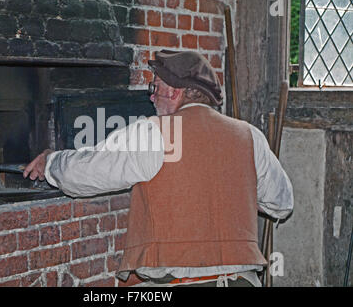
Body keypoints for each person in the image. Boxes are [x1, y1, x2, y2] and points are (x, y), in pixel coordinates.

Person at [23, 50, 294, 287]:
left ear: (174, 91)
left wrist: (50, 162)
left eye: (155, 89)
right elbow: (282, 204)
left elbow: (86, 172)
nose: (152, 98)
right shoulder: (248, 136)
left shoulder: (157, 133)